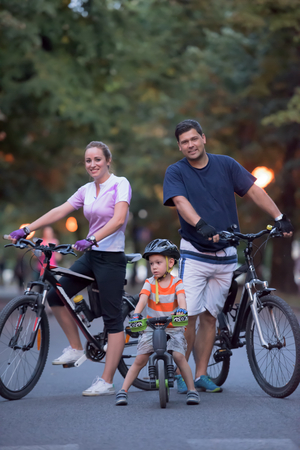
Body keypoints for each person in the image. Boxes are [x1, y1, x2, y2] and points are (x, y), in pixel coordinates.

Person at [163, 119, 294, 394]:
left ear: (204, 138)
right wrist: (201, 224)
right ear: (179, 146)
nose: (190, 145)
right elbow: (180, 202)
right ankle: (179, 373)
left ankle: (200, 376)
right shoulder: (175, 172)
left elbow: (254, 191)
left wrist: (279, 217)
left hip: (225, 255)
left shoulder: (226, 165)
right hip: (195, 254)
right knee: (189, 317)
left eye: (194, 139)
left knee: (210, 317)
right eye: (184, 142)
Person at [9, 141, 132, 397]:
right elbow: (60, 210)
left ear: (108, 160)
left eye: (97, 159)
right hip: (91, 255)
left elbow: (119, 219)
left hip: (110, 258)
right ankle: (76, 347)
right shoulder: (86, 190)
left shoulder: (120, 183)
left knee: (113, 321)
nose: (92, 164)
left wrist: (93, 238)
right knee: (56, 295)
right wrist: (27, 228)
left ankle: (107, 381)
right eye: (88, 160)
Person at [115, 239, 200, 406]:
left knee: (179, 357)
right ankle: (123, 390)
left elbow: (182, 298)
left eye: (158, 262)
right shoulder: (149, 283)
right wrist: (137, 314)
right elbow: (142, 299)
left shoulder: (177, 282)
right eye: (152, 263)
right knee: (140, 359)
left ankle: (192, 390)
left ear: (170, 262)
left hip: (172, 327)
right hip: (152, 327)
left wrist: (182, 310)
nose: (154, 266)